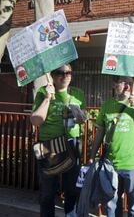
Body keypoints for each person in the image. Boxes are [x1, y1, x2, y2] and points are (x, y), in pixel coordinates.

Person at [89, 76, 134, 217]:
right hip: (111, 164)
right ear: (114, 85)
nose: (127, 87)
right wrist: (92, 156)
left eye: (130, 83)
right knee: (112, 204)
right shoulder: (107, 105)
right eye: (123, 83)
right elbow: (100, 132)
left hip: (133, 164)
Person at [30, 64, 86, 217]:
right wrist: (48, 98)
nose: (65, 76)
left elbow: (83, 119)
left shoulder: (78, 94)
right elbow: (36, 121)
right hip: (49, 145)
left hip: (72, 143)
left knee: (72, 190)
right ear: (53, 76)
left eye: (68, 72)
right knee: (47, 191)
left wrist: (81, 118)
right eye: (60, 73)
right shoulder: (43, 92)